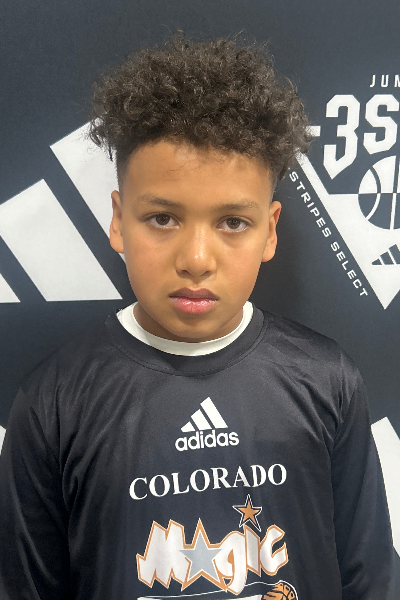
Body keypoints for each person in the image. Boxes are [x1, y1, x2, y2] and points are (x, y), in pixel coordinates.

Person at [0, 31, 395, 600]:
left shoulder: (327, 379)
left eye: (233, 222)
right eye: (162, 219)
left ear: (270, 231)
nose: (197, 260)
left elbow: (370, 579)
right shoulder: (54, 404)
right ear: (118, 221)